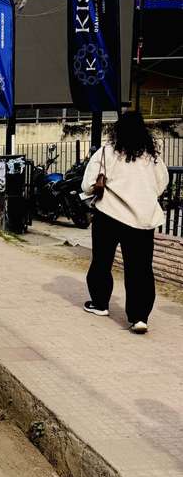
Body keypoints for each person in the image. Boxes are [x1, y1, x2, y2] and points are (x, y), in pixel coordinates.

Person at [82, 111, 169, 333]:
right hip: (142, 220)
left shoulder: (106, 152)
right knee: (140, 268)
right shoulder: (152, 158)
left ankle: (100, 304)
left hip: (109, 215)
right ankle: (139, 317)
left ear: (117, 130)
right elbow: (161, 185)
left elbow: (87, 184)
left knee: (102, 262)